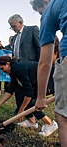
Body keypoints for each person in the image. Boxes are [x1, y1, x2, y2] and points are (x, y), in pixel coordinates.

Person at [29, 0, 67, 146]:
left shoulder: (49, 10)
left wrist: (40, 97)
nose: (41, 15)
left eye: (40, 11)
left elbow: (45, 62)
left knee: (64, 117)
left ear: (45, 2)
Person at [0, 56, 58, 137]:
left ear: (7, 64)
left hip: (50, 81)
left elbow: (29, 92)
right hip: (40, 81)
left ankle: (50, 123)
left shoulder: (18, 69)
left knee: (27, 101)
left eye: (2, 68)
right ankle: (31, 121)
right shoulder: (13, 70)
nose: (3, 71)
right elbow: (10, 90)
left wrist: (21, 110)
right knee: (20, 95)